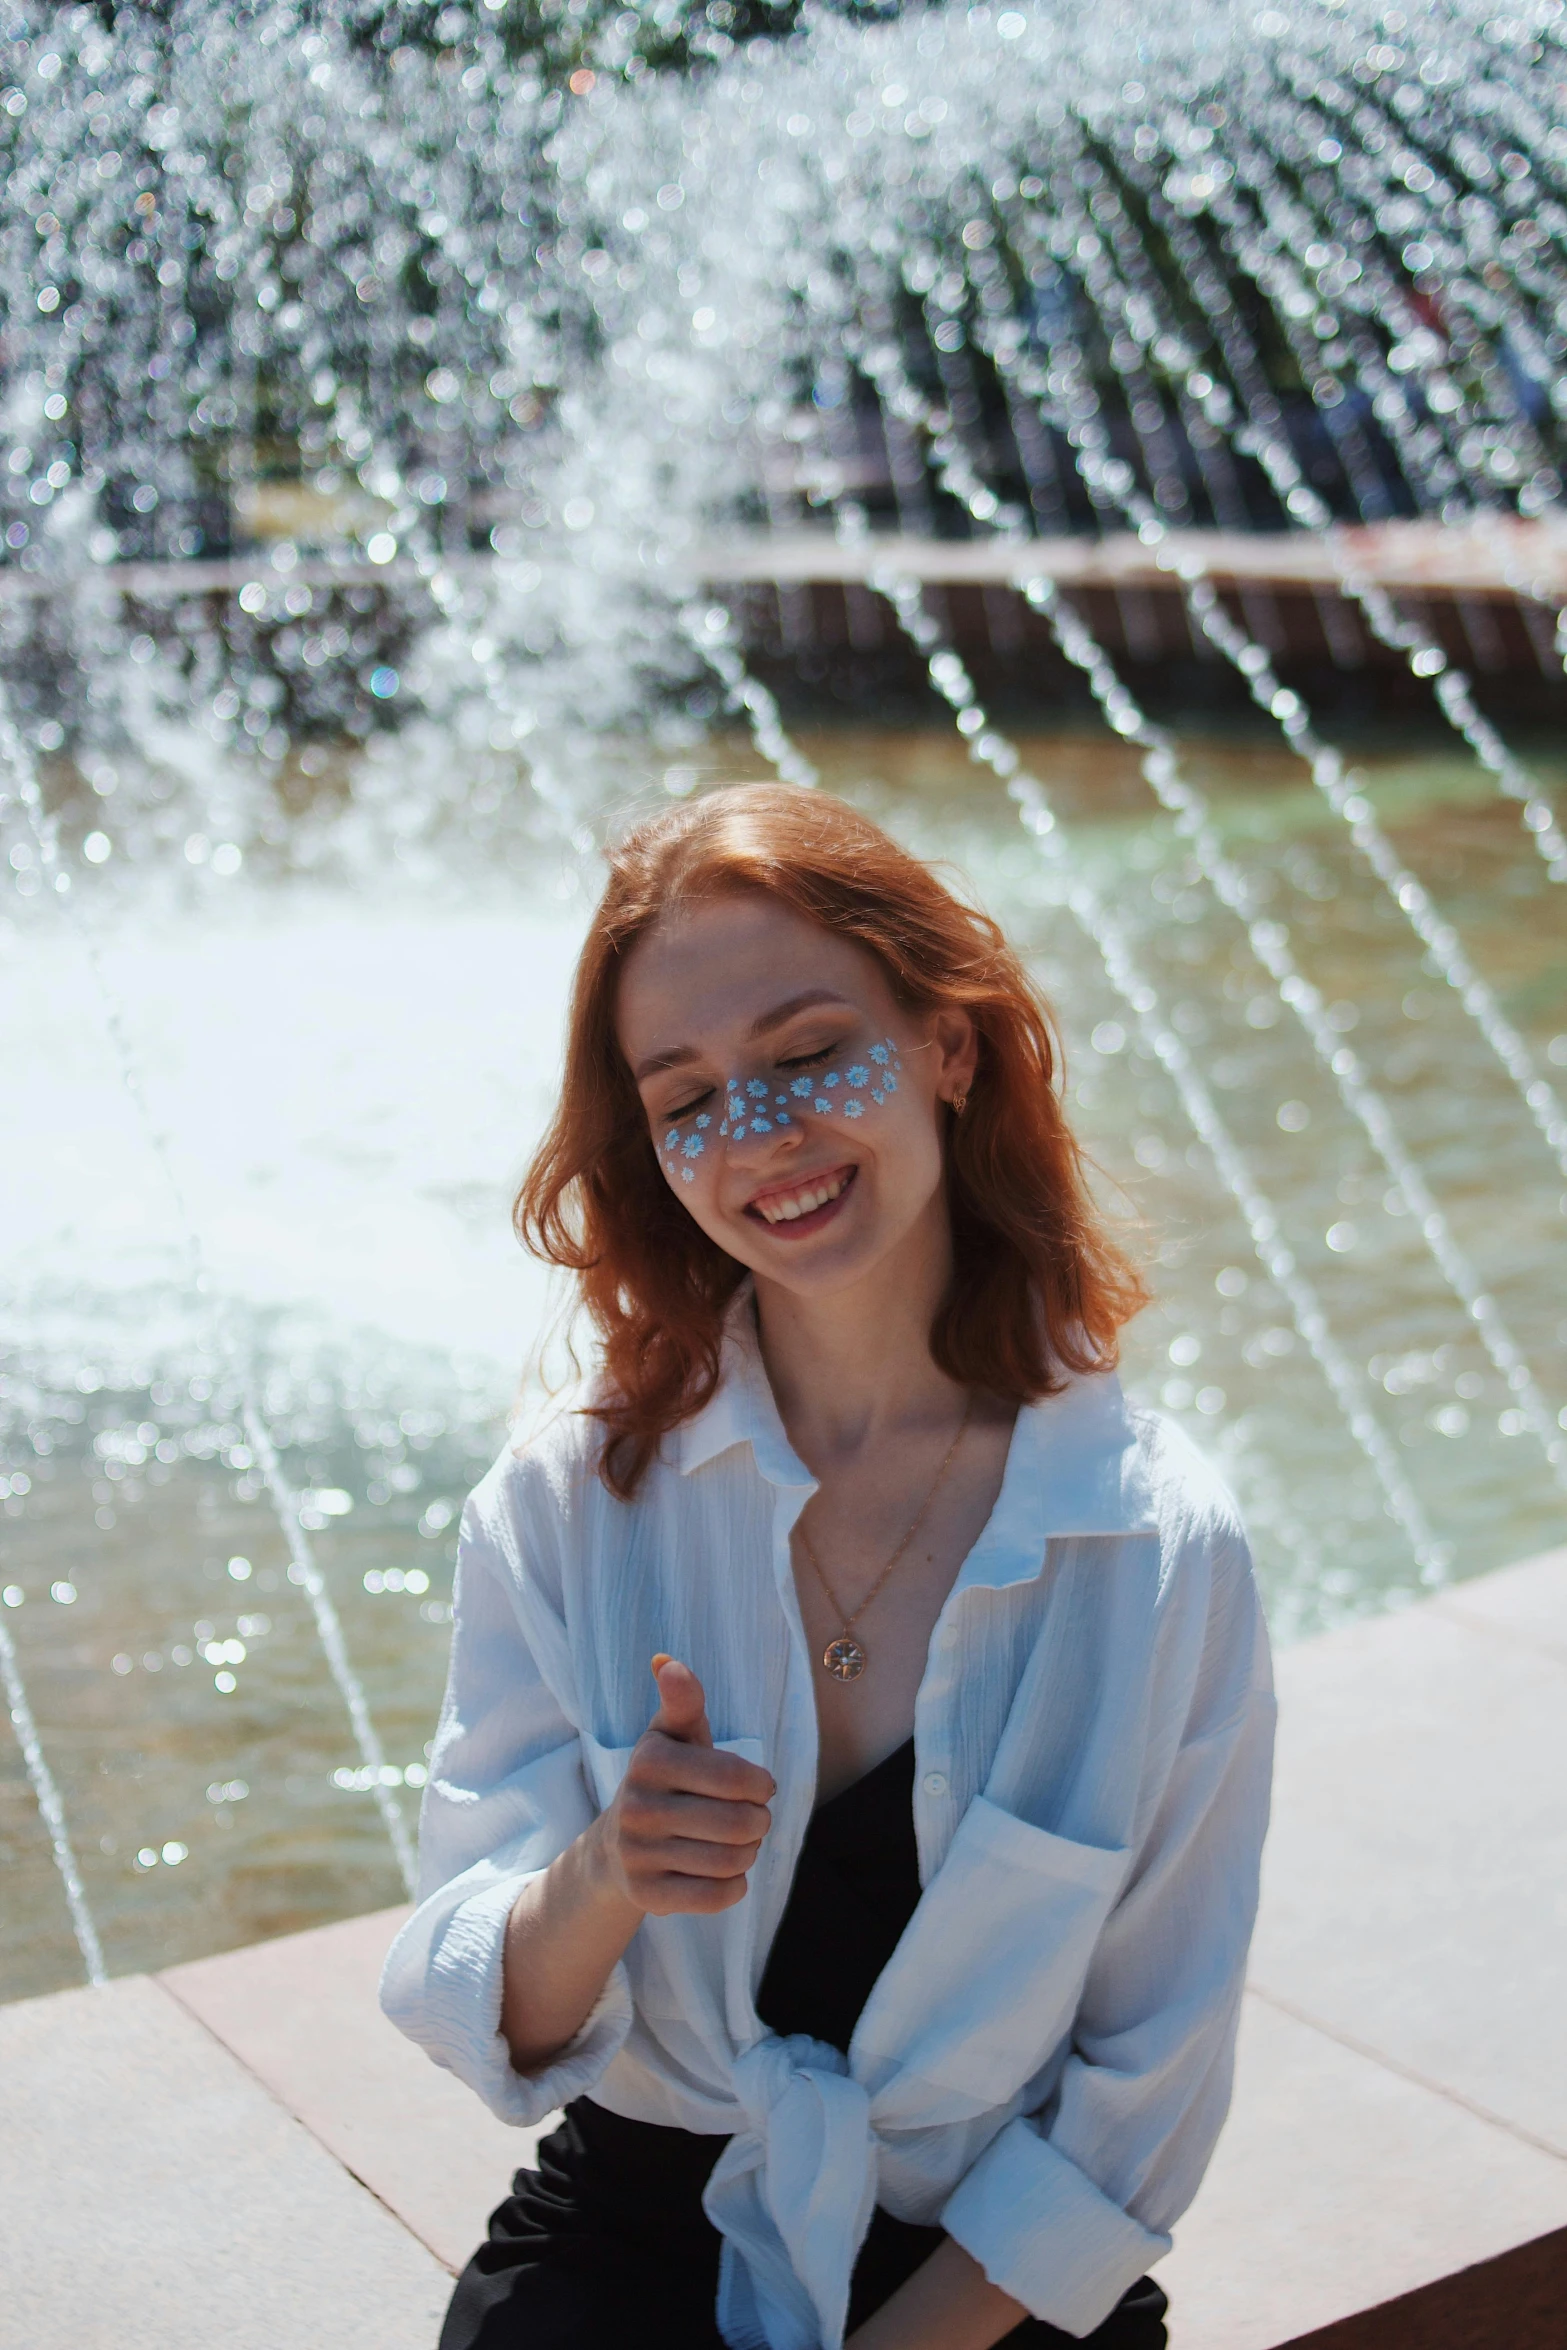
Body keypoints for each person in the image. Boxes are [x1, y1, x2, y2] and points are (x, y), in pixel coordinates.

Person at [381, 785, 1275, 2350]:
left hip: (990, 2282)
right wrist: (606, 1874)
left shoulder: (1154, 1546)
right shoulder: (568, 1500)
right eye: (688, 1097)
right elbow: (487, 2018)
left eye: (808, 1055)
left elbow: (1143, 2085)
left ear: (949, 1043)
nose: (761, 1136)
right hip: (632, 2238)